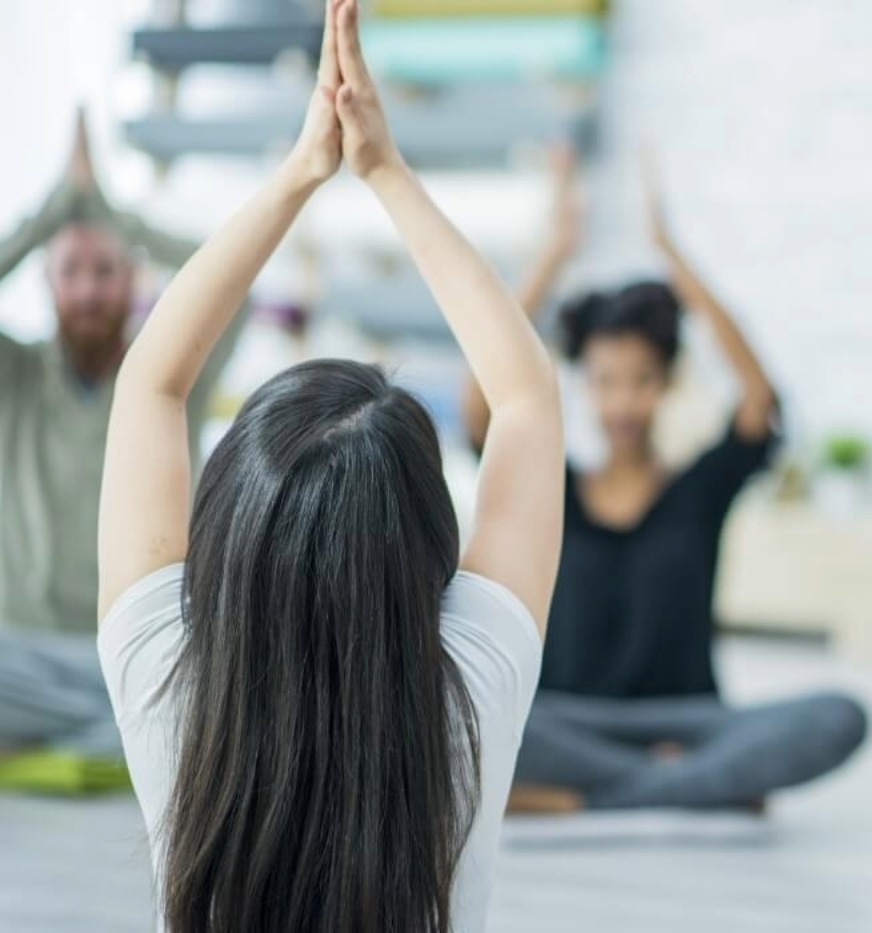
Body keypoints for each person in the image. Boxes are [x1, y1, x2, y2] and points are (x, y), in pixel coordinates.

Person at [96, 2, 562, 931]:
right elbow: (527, 401)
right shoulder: (470, 686)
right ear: (427, 539)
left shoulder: (163, 676)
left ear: (226, 525)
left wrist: (299, 172)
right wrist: (383, 171)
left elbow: (150, 381)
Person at [461, 150, 866, 813]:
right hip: (568, 722)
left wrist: (673, 256)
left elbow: (759, 398)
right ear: (584, 386)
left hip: (689, 723)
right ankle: (678, 788)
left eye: (641, 380)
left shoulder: (696, 490)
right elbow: (480, 406)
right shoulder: (554, 489)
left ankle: (579, 798)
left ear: (668, 381)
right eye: (605, 381)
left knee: (839, 715)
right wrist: (554, 254)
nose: (622, 402)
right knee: (474, 715)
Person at [0, 111, 242, 765]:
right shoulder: (14, 377)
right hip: (27, 652)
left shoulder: (169, 373)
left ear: (133, 281)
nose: (87, 290)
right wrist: (56, 210)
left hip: (144, 649)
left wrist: (110, 210)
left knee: (218, 700)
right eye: (70, 271)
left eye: (105, 270)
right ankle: (99, 742)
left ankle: (89, 742)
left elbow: (231, 275)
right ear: (47, 284)